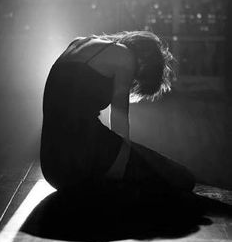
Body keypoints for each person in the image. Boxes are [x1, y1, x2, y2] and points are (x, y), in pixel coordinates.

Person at [40, 31, 195, 193]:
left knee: (147, 170)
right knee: (182, 178)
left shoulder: (77, 43)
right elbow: (119, 120)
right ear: (144, 64)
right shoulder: (124, 55)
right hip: (81, 159)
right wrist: (123, 166)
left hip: (53, 168)